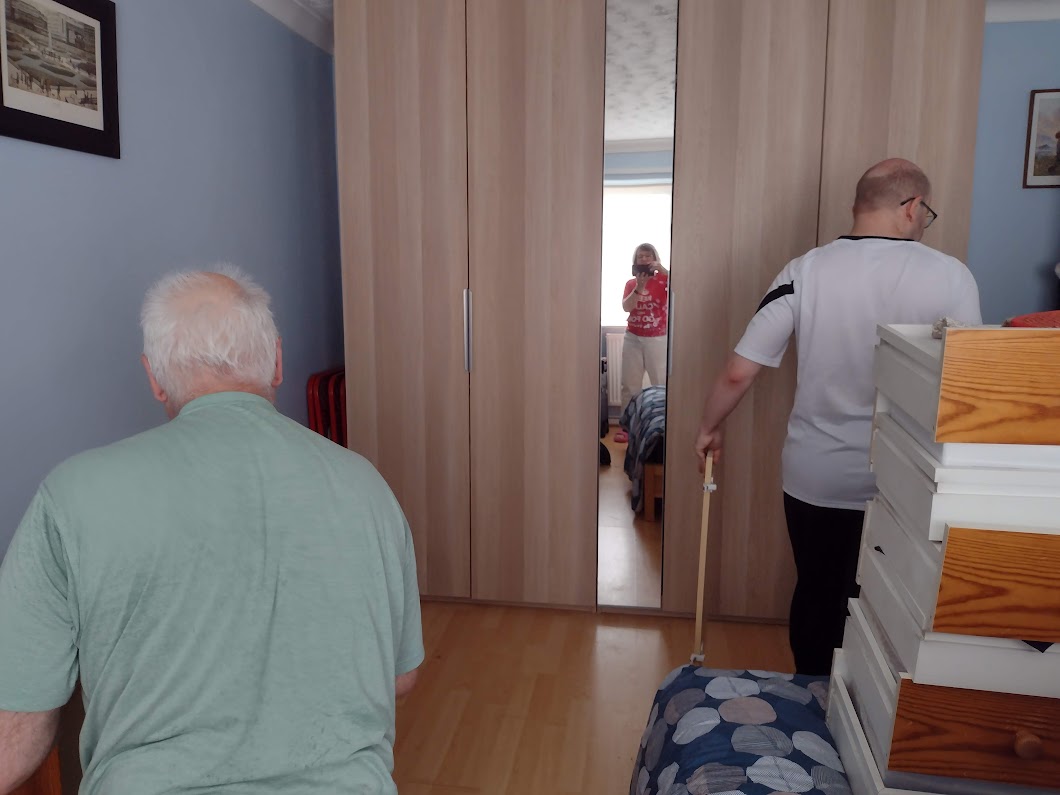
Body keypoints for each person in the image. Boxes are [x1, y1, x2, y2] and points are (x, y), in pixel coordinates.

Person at [0, 266, 423, 794]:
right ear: (277, 361)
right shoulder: (366, 486)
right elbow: (399, 677)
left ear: (155, 377)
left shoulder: (70, 494)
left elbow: (16, 729)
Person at [693, 159, 981, 676]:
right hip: (909, 483)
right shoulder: (952, 276)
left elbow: (739, 372)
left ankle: (812, 703)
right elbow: (970, 382)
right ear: (912, 207)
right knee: (895, 606)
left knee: (819, 596)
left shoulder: (804, 271)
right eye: (926, 213)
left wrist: (709, 428)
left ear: (857, 206)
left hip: (818, 475)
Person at [615, 243, 669, 443]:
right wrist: (640, 286)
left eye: (648, 256)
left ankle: (663, 426)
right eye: (640, 257)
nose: (644, 259)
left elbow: (685, 288)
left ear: (655, 258)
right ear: (635, 262)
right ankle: (627, 428)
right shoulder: (631, 283)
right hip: (633, 338)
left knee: (661, 384)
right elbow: (626, 307)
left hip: (658, 338)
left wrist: (664, 271)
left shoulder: (665, 280)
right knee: (629, 385)